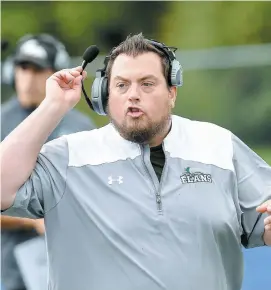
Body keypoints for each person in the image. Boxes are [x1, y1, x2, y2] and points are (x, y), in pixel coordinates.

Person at [1, 33, 270, 290]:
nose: (133, 94)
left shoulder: (218, 146)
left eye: (147, 83)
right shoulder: (68, 156)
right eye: (121, 85)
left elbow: (263, 223)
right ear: (104, 94)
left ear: (172, 92)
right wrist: (53, 106)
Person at [1, 33, 96, 290]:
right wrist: (32, 220)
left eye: (37, 69)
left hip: (73, 261)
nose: (28, 78)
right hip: (11, 269)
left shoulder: (80, 125)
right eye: (23, 68)